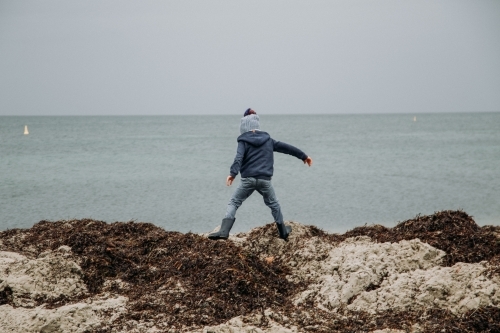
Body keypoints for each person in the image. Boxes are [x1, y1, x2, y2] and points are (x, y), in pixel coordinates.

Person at [208, 108, 313, 241]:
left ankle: (224, 231)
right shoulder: (268, 140)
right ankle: (283, 231)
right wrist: (304, 156)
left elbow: (238, 158)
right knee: (274, 204)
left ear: (243, 126)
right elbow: (287, 148)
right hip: (265, 180)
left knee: (234, 202)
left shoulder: (243, 141)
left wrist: (232, 174)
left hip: (248, 180)